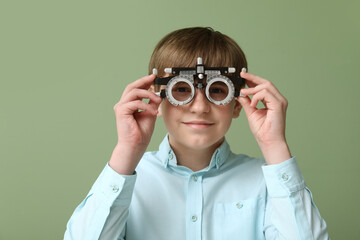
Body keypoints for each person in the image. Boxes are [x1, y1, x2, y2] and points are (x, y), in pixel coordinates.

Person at [64, 27, 329, 239]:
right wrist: (126, 151)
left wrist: (275, 147)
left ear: (237, 103)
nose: (200, 107)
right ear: (156, 97)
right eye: (181, 89)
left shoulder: (267, 183)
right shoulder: (127, 181)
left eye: (217, 90)